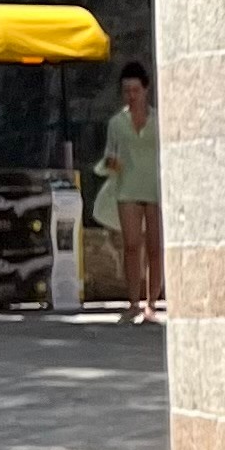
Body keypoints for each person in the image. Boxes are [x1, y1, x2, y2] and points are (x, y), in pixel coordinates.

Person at [97, 62, 164, 323]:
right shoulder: (116, 123)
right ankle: (133, 302)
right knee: (131, 246)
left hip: (155, 188)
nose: (131, 96)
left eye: (135, 90)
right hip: (127, 187)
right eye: (126, 91)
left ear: (145, 89)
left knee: (155, 248)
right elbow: (109, 155)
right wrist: (111, 163)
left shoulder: (159, 121)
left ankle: (152, 305)